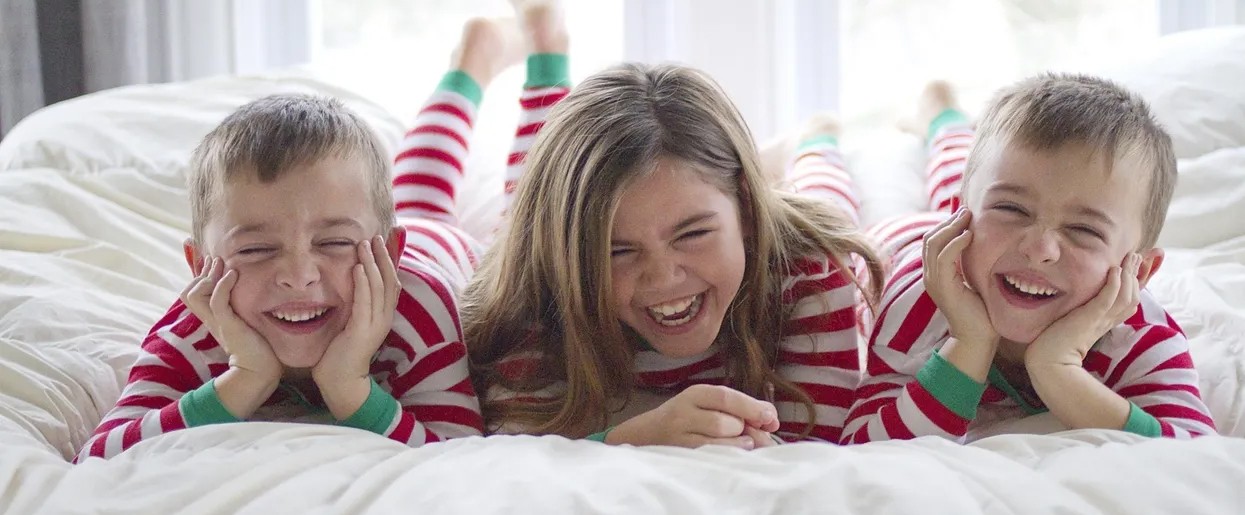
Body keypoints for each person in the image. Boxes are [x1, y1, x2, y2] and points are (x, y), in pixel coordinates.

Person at [74, 3, 567, 461]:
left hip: (442, 250)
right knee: (418, 192)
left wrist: (351, 388)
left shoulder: (417, 313)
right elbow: (99, 456)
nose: (299, 275)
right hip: (394, 229)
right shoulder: (196, 328)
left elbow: (457, 451)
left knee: (532, 208)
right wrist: (244, 380)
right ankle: (474, 59)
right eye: (256, 248)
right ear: (201, 267)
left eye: (332, 243)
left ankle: (540, 55)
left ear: (390, 254)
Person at [461, 58, 885, 448]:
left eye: (692, 234)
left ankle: (815, 139)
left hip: (787, 224)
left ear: (748, 210)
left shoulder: (810, 270)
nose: (663, 278)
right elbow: (517, 449)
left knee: (825, 190)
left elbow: (814, 450)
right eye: (619, 251)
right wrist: (632, 439)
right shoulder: (529, 301)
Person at [838, 75, 1217, 444]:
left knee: (976, 181)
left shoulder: (1138, 338)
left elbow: (1196, 456)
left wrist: (1058, 370)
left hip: (987, 244)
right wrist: (969, 343)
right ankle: (821, 141)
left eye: (1084, 230)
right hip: (900, 242)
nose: (1040, 250)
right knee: (831, 209)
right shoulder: (916, 309)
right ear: (954, 222)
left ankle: (945, 117)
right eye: (1012, 208)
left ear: (1142, 270)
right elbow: (863, 446)